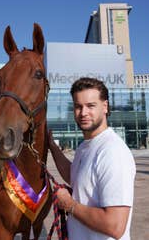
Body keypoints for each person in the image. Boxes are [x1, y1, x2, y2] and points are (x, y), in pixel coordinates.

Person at [48, 77, 136, 240]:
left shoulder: (112, 151)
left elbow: (115, 225)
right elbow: (74, 176)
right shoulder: (85, 146)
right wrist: (52, 147)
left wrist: (69, 205)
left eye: (90, 106)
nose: (83, 113)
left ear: (105, 106)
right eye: (78, 106)